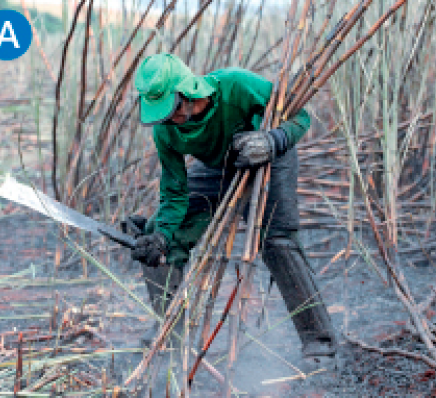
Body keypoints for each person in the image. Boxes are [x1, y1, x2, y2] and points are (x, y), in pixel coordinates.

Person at [127, 53, 336, 366]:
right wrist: (161, 236)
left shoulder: (237, 85)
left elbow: (299, 116)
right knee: (157, 236)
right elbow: (174, 191)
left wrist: (274, 139)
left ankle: (319, 342)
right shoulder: (165, 131)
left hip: (270, 158)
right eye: (161, 114)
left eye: (171, 109)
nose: (169, 119)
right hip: (219, 168)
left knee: (278, 243)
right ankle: (170, 334)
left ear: (187, 92)